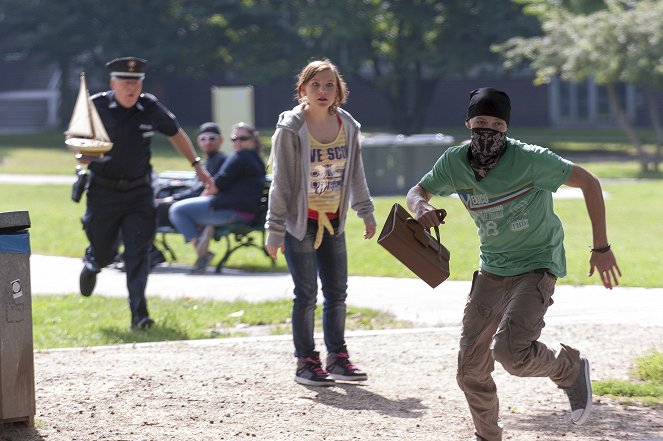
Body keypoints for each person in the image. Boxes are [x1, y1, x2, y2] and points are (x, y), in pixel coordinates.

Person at [406, 87, 621, 440]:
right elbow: (418, 190)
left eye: (495, 123)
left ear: (505, 127)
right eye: (480, 122)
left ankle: (568, 368)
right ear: (468, 123)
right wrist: (421, 207)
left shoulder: (531, 159)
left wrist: (601, 247)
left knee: (511, 353)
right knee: (470, 369)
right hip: (492, 268)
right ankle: (488, 436)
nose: (486, 130)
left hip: (536, 264)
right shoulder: (454, 162)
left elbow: (588, 182)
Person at [77, 56, 213, 330]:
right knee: (104, 251)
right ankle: (94, 261)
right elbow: (76, 140)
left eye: (136, 83)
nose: (131, 89)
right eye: (125, 83)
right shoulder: (97, 106)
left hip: (139, 192)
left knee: (138, 251)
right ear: (112, 83)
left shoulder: (149, 107)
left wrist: (197, 166)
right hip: (104, 192)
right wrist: (83, 154)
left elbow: (175, 133)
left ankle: (139, 315)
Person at [265, 59, 377, 387]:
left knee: (337, 293)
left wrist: (365, 212)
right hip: (301, 223)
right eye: (316, 85)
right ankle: (306, 361)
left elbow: (355, 172)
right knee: (306, 293)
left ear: (339, 90)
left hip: (335, 220)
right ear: (303, 90)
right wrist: (274, 229)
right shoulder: (291, 129)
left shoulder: (348, 126)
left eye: (330, 85)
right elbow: (281, 183)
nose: (323, 91)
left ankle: (337, 357)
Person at [169, 121, 266, 274]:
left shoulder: (239, 157)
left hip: (231, 212)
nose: (238, 142)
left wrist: (202, 199)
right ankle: (204, 232)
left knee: (177, 210)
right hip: (248, 213)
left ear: (253, 139)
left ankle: (201, 248)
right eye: (234, 139)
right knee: (191, 208)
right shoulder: (257, 160)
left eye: (243, 138)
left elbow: (214, 187)